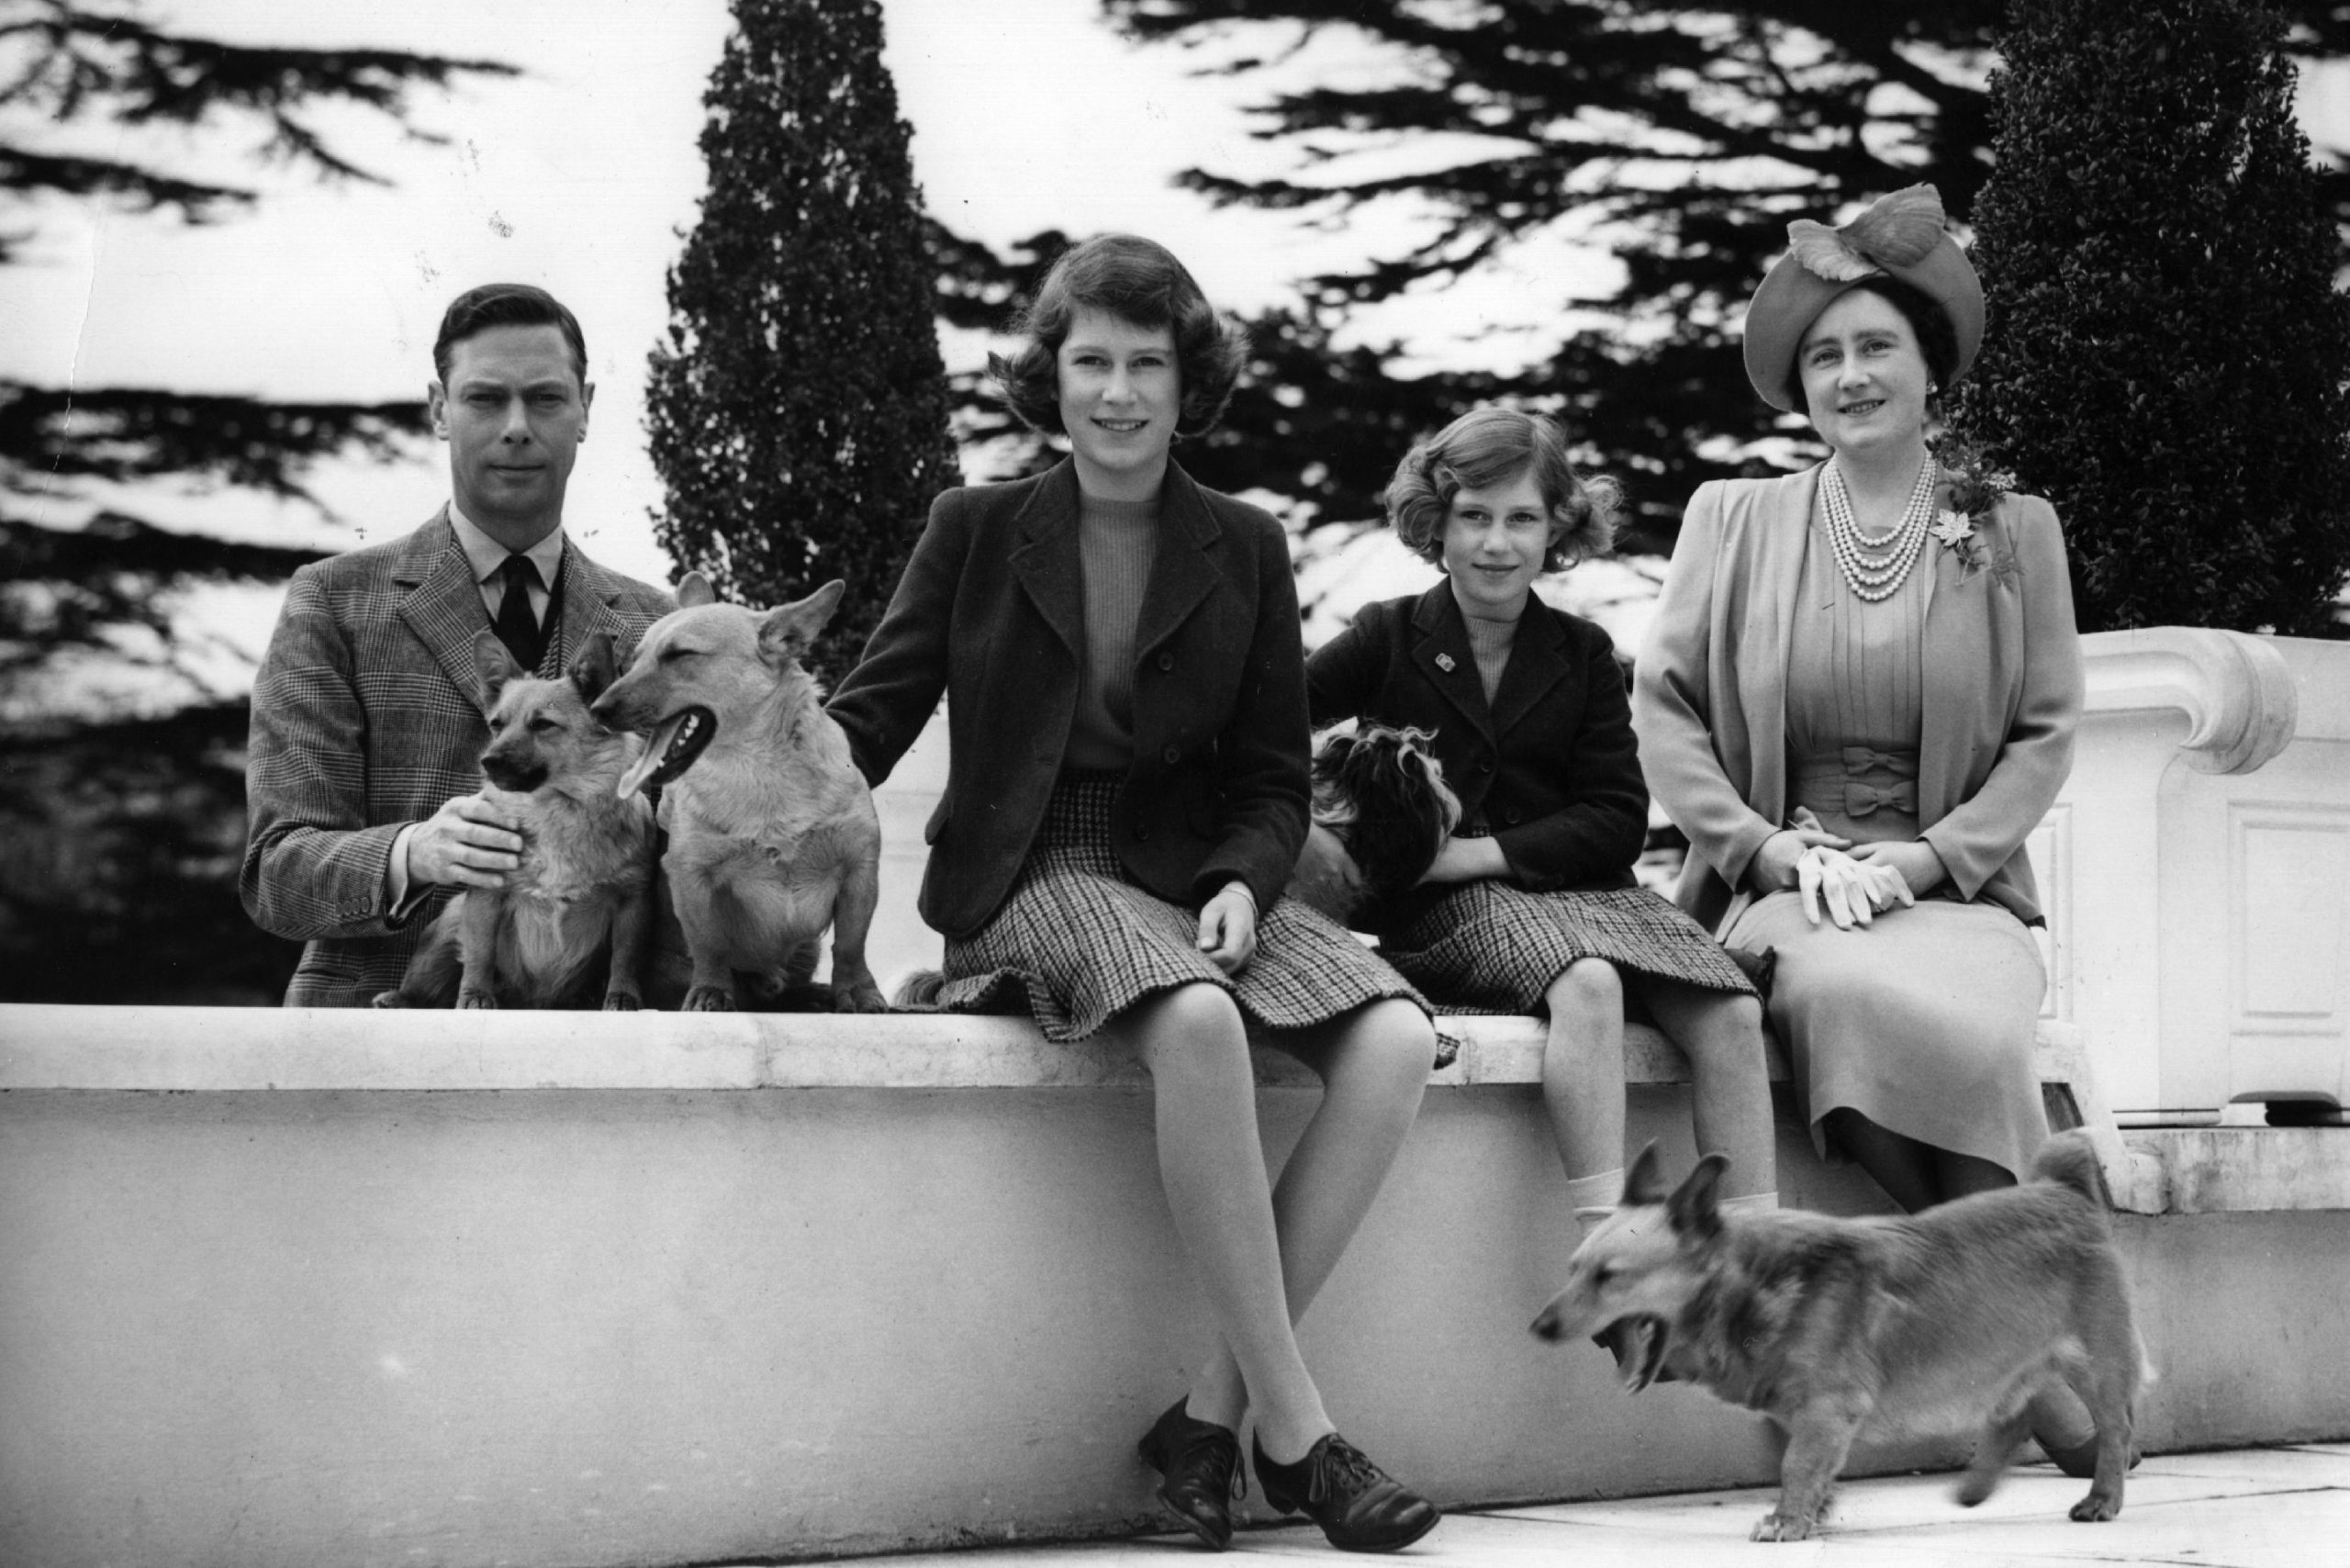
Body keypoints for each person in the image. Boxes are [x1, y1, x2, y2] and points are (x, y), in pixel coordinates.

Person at [827, 234, 1441, 1553]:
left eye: (1145, 363)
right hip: (1029, 869)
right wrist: (750, 792)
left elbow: (1278, 778)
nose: (1116, 392)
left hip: (1189, 878)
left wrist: (1239, 876)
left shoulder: (1247, 543)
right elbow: (868, 716)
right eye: (1090, 361)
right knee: (1201, 1024)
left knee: (1393, 1038)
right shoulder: (976, 526)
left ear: (1186, 378)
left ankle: (1206, 1425)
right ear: (1049, 378)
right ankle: (1304, 1437)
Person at [1631, 186, 2095, 1463]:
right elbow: (1662, 709)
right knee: (1831, 991)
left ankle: (2018, 1338)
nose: (1851, 375)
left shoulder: (2012, 529)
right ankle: (2026, 1342)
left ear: (1929, 365)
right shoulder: (1734, 518)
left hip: (1954, 888)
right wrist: (1770, 850)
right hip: (1792, 877)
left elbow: (2048, 729)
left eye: (1876, 345)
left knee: (1982, 1027)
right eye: (1826, 355)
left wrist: (1932, 858)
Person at [1304, 407, 1778, 1256]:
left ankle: (1754, 1267)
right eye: (1474, 517)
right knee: (1589, 984)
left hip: (1590, 895)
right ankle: (1611, 1248)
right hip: (1444, 917)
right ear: (1435, 522)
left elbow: (1616, 819)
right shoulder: (1387, 635)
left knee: (1733, 1011)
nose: (1497, 543)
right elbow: (1271, 725)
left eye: (1521, 518)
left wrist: (1474, 854)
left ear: (1558, 525)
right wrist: (1339, 835)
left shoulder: (1585, 651)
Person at [241, 283, 674, 1007]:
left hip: (599, 1056)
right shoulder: (334, 601)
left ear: (585, 411)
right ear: (440, 411)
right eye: (483, 399)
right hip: (377, 1045)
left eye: (545, 399)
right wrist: (413, 854)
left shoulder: (653, 629)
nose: (515, 428)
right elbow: (275, 874)